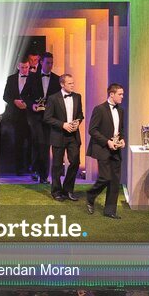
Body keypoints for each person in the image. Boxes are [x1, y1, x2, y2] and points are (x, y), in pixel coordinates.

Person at [86, 83, 126, 219]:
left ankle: (110, 211)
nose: (122, 97)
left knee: (115, 180)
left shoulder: (121, 110)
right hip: (102, 148)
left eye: (122, 94)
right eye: (120, 94)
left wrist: (122, 140)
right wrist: (107, 142)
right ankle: (90, 195)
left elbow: (121, 129)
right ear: (111, 94)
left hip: (116, 150)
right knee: (105, 177)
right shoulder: (99, 109)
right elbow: (92, 130)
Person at [44, 73, 84, 201]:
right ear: (62, 84)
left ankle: (68, 189)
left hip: (73, 136)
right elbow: (47, 118)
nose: (73, 85)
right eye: (70, 83)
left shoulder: (78, 97)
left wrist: (78, 121)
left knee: (75, 162)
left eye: (73, 83)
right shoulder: (53, 98)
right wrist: (63, 125)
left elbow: (80, 114)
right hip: (58, 135)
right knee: (57, 165)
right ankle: (56, 191)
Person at [29, 51, 62, 184]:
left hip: (50, 118)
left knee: (45, 145)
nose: (50, 65)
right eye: (48, 63)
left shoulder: (56, 79)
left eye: (52, 63)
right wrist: (32, 105)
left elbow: (59, 99)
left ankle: (43, 175)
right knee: (38, 144)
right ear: (41, 62)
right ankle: (36, 171)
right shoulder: (32, 77)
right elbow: (25, 94)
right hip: (36, 117)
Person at [2, 58, 35, 175]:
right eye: (22, 67)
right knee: (18, 143)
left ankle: (31, 167)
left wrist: (28, 103)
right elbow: (5, 96)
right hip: (16, 116)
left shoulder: (34, 78)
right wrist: (15, 101)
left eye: (27, 67)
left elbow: (37, 95)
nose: (25, 70)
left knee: (32, 142)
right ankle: (19, 168)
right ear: (18, 67)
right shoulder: (11, 79)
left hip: (31, 115)